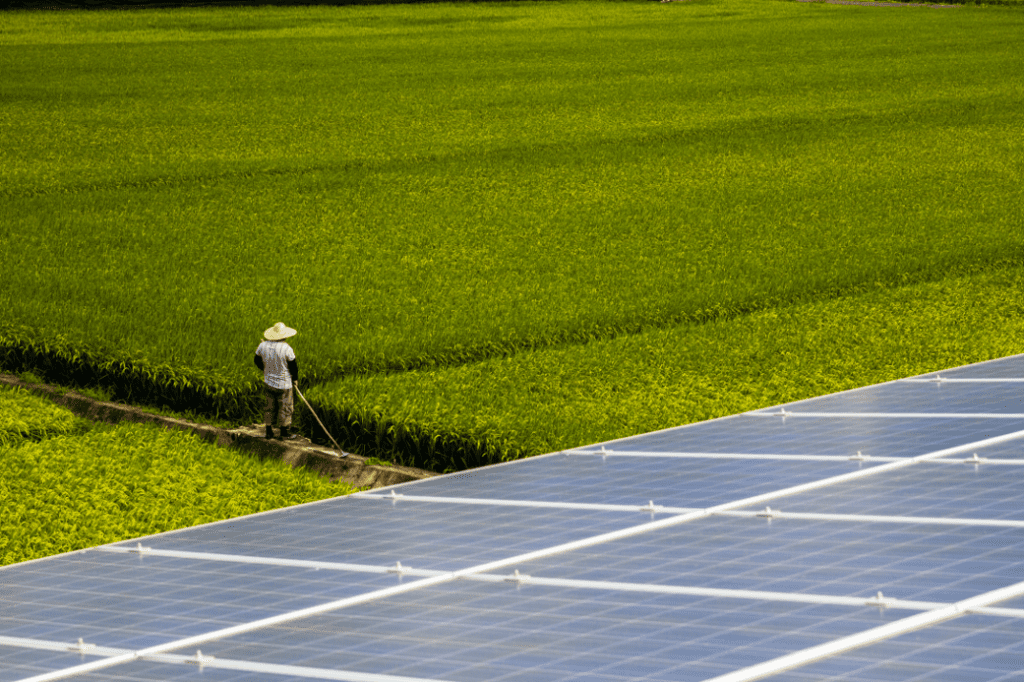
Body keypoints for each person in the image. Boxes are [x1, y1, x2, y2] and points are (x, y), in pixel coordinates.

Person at [254, 322, 299, 440]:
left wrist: (265, 369)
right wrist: (295, 379)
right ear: (284, 335)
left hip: (268, 382)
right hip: (284, 384)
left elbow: (256, 360)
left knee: (269, 407)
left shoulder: (262, 346)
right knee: (285, 407)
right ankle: (283, 432)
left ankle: (269, 431)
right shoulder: (286, 348)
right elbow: (293, 366)